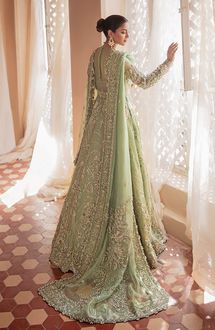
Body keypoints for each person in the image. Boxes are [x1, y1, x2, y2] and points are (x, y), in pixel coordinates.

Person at [38, 15, 178, 323]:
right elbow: (143, 82)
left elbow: (91, 97)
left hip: (99, 126)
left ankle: (85, 241)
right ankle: (116, 244)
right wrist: (167, 63)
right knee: (120, 182)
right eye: (124, 32)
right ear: (111, 34)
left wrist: (87, 133)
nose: (128, 37)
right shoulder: (120, 59)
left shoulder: (95, 57)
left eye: (128, 33)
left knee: (96, 184)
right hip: (119, 128)